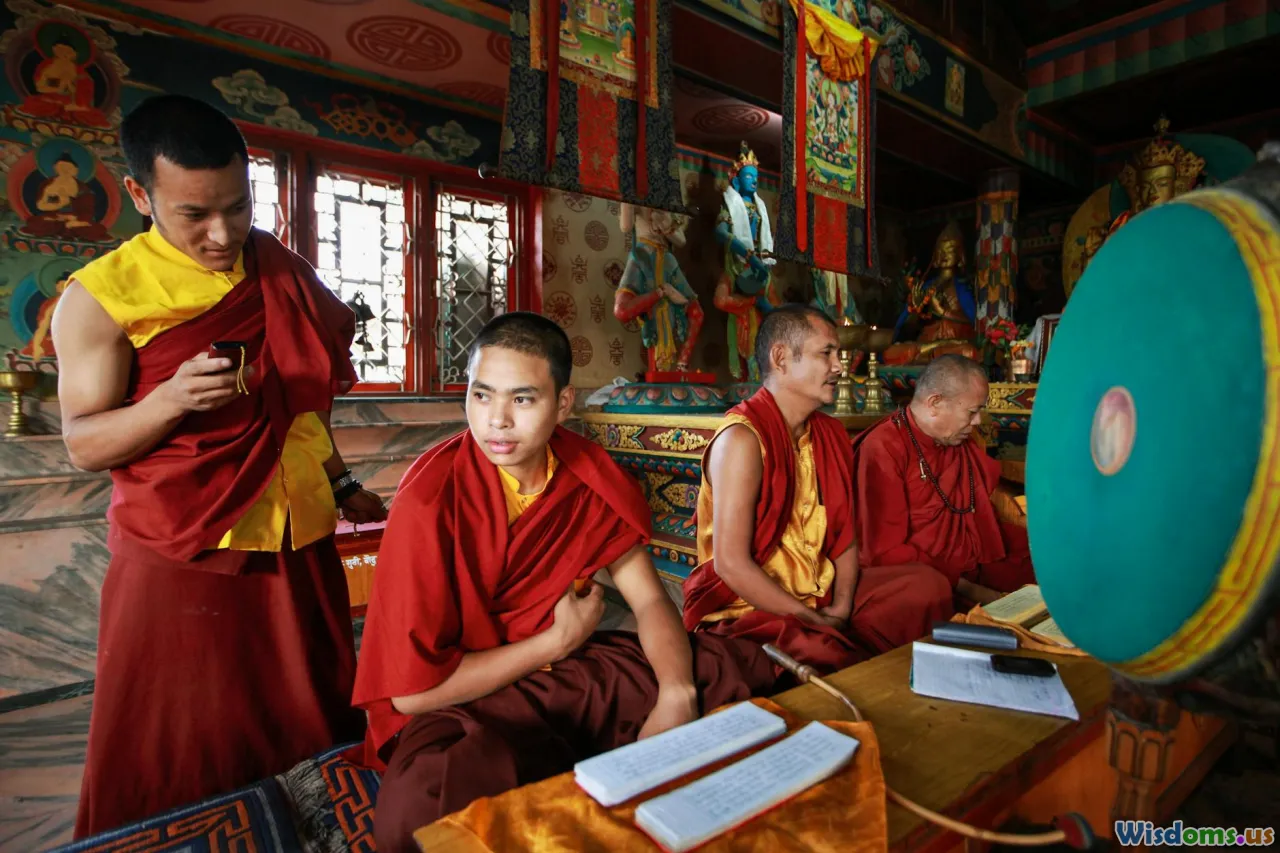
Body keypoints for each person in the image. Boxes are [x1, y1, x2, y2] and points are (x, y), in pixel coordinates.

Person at [51, 94, 385, 837]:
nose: (223, 233)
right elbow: (83, 443)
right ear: (140, 195)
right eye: (194, 214)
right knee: (181, 746)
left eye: (238, 207)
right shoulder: (101, 298)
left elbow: (302, 401)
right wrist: (168, 401)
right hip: (185, 551)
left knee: (314, 729)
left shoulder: (279, 267)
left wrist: (341, 483)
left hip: (299, 543)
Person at [352, 312, 774, 853]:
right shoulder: (429, 501)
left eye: (522, 399)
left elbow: (649, 600)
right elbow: (411, 695)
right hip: (462, 697)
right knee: (424, 808)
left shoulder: (584, 475)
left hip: (554, 676)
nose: (497, 421)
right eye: (481, 396)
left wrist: (676, 694)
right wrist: (556, 642)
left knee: (729, 668)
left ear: (563, 404)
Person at [682, 305, 952, 672]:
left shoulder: (829, 433)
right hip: (750, 605)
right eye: (826, 353)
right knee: (826, 652)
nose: (839, 366)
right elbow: (731, 565)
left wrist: (841, 606)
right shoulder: (742, 440)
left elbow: (844, 538)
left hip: (821, 590)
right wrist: (810, 619)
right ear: (781, 358)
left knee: (927, 587)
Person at [852, 354, 1034, 610]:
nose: (977, 421)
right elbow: (884, 549)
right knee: (928, 588)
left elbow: (978, 517)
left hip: (969, 557)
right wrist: (970, 588)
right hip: (921, 569)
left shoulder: (957, 440)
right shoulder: (884, 447)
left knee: (1040, 554)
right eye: (972, 412)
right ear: (935, 403)